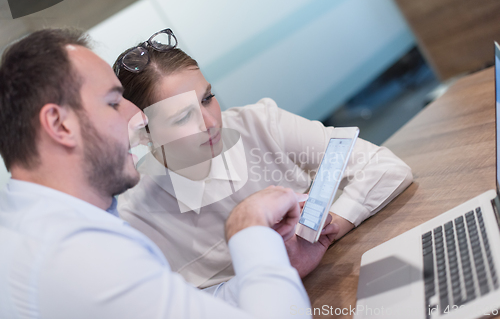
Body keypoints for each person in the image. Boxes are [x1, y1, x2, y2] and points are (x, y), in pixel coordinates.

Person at [0, 28, 313, 318]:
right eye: (112, 103)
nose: (138, 116)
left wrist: (274, 264)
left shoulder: (35, 229)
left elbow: (180, 305)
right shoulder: (79, 259)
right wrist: (250, 229)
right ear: (59, 125)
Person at [113, 28, 414, 289]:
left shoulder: (257, 124)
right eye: (182, 117)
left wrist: (330, 228)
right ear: (144, 133)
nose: (210, 122)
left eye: (207, 99)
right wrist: (272, 270)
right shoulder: (137, 217)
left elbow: (386, 168)